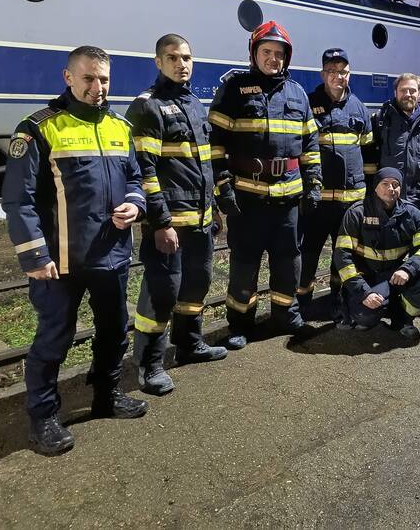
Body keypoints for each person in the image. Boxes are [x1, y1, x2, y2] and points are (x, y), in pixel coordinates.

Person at [1, 46, 149, 456]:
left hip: (112, 256)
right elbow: (19, 200)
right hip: (59, 263)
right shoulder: (38, 128)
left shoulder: (120, 126)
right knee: (53, 341)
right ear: (68, 77)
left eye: (103, 79)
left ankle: (106, 396)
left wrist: (135, 204)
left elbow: (136, 177)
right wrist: (34, 257)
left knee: (114, 332)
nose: (97, 87)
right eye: (88, 78)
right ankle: (43, 418)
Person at [208, 21, 322, 349]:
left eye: (279, 54)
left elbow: (310, 143)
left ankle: (286, 316)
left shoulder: (298, 93)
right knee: (244, 264)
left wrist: (313, 184)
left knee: (289, 261)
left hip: (288, 200)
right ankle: (240, 323)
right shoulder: (233, 90)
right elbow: (215, 144)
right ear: (253, 54)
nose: (274, 59)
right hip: (247, 199)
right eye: (267, 52)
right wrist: (222, 187)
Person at [125, 34, 227, 396]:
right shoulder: (147, 107)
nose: (181, 64)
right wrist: (160, 222)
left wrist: (214, 209)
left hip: (200, 222)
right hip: (169, 225)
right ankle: (149, 365)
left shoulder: (196, 105)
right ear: (158, 62)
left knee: (196, 284)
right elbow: (143, 170)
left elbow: (205, 165)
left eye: (186, 57)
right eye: (172, 57)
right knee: (161, 293)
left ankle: (189, 344)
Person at [296, 48, 372, 320]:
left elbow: (368, 152)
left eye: (342, 71)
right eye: (332, 71)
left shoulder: (359, 108)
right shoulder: (308, 103)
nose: (337, 76)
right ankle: (301, 302)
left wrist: (369, 197)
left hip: (350, 203)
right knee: (309, 253)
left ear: (349, 74)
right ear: (323, 74)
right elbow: (300, 149)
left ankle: (337, 299)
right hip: (317, 201)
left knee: (344, 254)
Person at [334, 167, 420, 341]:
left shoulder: (411, 214)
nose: (391, 188)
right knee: (365, 317)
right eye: (385, 184)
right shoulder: (357, 212)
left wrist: (408, 269)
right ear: (375, 187)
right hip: (366, 278)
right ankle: (373, 307)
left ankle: (404, 319)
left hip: (395, 276)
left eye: (396, 185)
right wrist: (364, 292)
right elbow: (342, 256)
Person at [368, 73, 420, 219]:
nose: (408, 94)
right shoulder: (382, 119)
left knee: (417, 240)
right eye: (403, 90)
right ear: (395, 92)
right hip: (387, 199)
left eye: (412, 91)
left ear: (419, 93)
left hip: (419, 200)